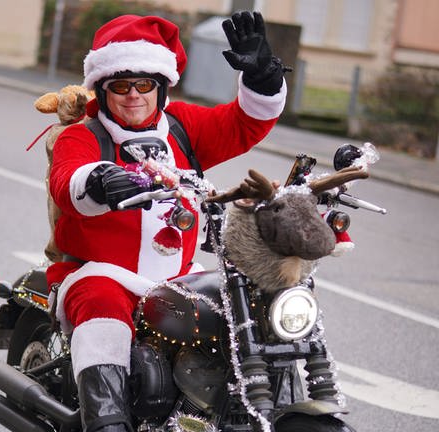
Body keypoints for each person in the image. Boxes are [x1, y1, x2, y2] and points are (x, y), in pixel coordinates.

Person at [47, 11, 289, 432]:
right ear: (102, 91)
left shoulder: (182, 128)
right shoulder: (84, 136)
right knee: (102, 306)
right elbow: (66, 181)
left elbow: (243, 124)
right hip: (99, 271)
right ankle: (108, 424)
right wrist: (100, 180)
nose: (133, 95)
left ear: (161, 86)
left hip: (177, 275)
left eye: (144, 84)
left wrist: (263, 79)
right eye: (119, 85)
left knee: (238, 307)